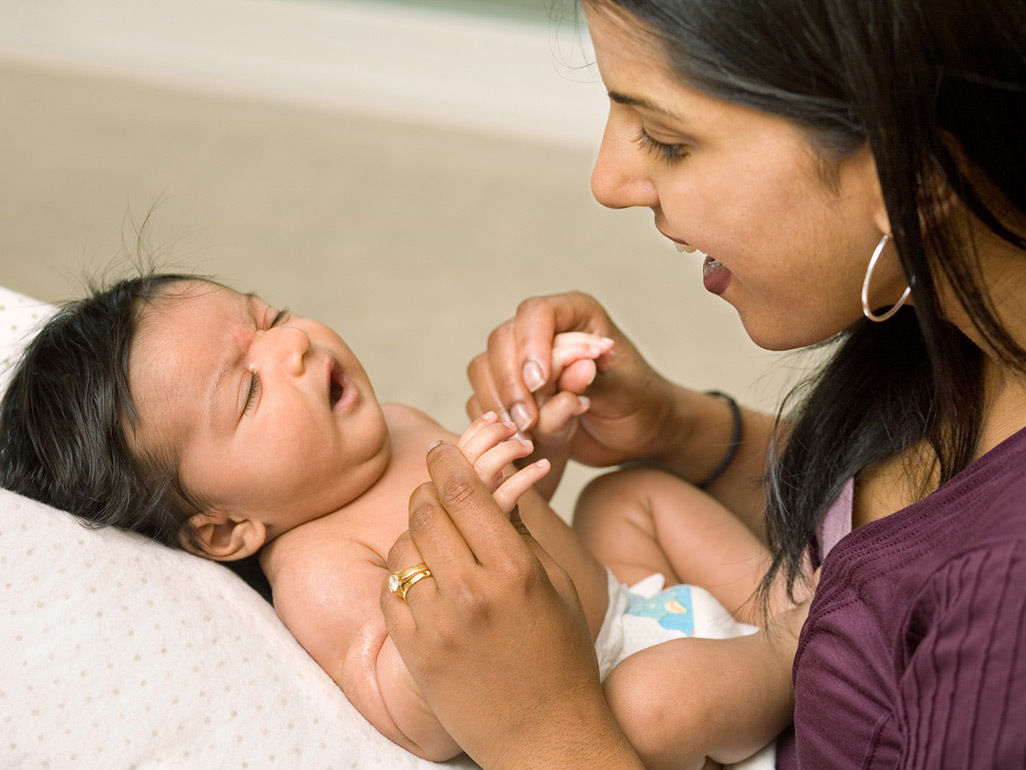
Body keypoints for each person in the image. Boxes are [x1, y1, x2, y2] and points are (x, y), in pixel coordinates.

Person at [380, 0, 1026, 767]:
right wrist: (684, 432)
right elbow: (907, 521)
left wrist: (542, 730)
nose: (609, 181)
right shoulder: (964, 313)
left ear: (915, 174)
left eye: (667, 139)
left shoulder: (1005, 611)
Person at [1, 273, 804, 768]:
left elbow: (537, 523)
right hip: (597, 697)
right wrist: (457, 536)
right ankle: (798, 638)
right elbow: (416, 715)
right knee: (654, 703)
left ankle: (777, 593)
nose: (298, 352)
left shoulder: (399, 424)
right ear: (222, 530)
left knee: (624, 498)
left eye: (273, 319)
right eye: (247, 391)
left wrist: (544, 444)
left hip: (633, 604)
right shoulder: (316, 569)